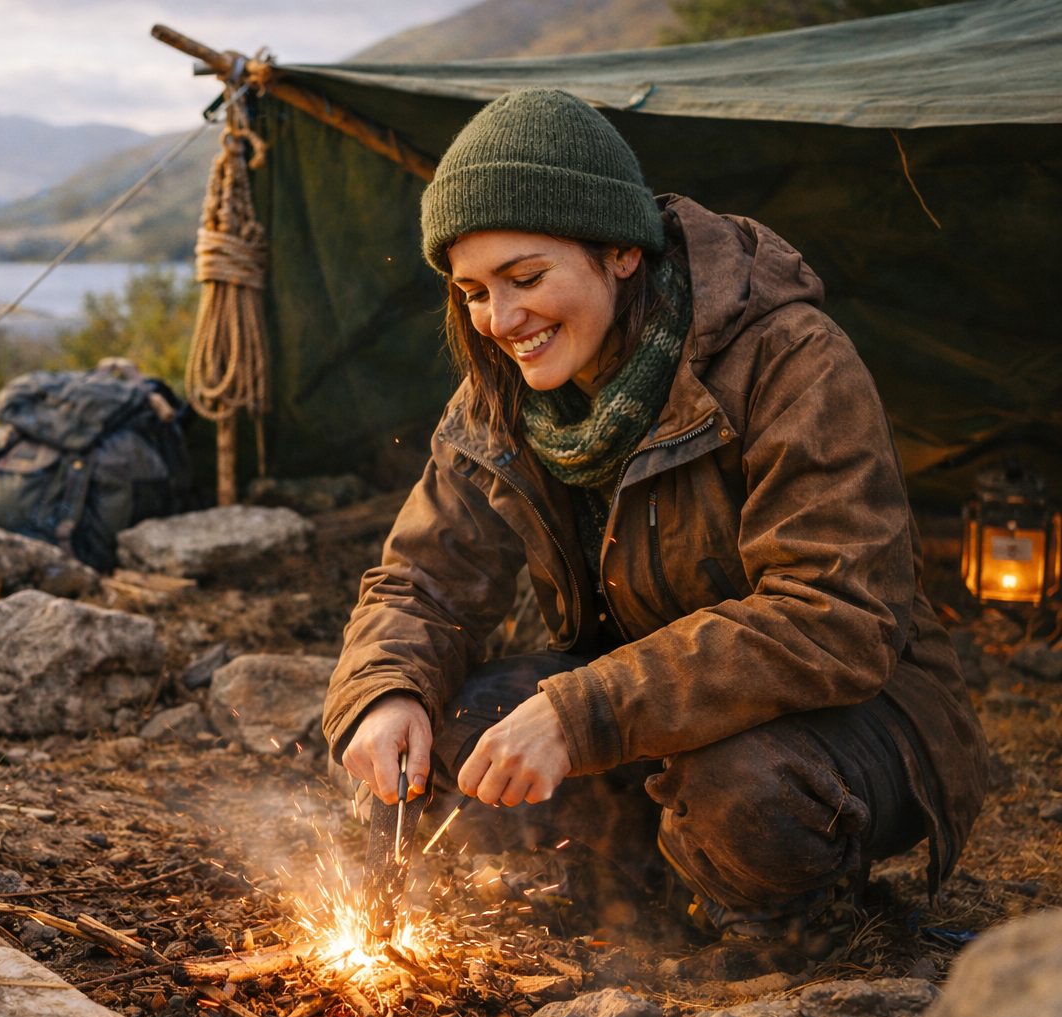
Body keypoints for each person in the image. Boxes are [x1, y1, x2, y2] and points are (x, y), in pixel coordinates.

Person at [322, 88, 987, 951]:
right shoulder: (497, 401)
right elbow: (420, 581)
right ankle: (640, 900)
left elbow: (836, 616)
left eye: (526, 278)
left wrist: (580, 712)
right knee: (447, 731)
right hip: (649, 708)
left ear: (622, 252)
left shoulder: (789, 361)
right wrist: (386, 693)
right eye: (474, 291)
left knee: (743, 788)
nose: (502, 321)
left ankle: (796, 934)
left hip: (854, 721)